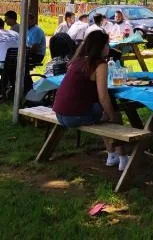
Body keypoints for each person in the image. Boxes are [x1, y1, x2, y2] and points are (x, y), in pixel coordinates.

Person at [53, 30, 128, 169]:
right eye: (107, 44)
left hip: (59, 113)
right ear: (100, 47)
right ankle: (123, 158)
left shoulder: (77, 60)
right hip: (73, 116)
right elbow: (103, 97)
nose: (109, 48)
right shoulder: (100, 65)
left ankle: (112, 155)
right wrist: (112, 117)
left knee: (105, 111)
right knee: (113, 112)